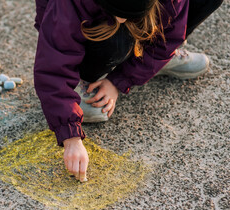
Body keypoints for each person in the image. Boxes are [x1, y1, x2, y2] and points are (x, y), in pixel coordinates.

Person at [33, 0, 223, 182]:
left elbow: (173, 31)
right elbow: (53, 65)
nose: (122, 19)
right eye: (119, 12)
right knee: (117, 39)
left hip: (143, 14)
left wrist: (118, 81)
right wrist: (70, 136)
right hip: (74, 22)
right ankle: (89, 77)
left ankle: (150, 59)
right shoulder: (70, 5)